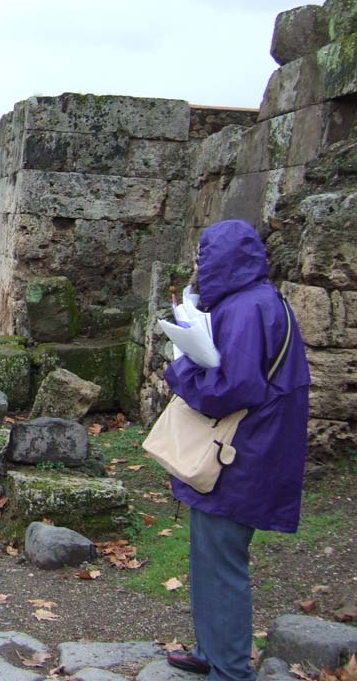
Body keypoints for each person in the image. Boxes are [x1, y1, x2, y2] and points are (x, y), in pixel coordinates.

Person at [163, 220, 310, 681]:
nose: (197, 267)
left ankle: (228, 669)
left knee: (222, 561)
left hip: (241, 455)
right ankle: (213, 651)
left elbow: (233, 385)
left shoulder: (247, 309)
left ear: (220, 259)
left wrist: (180, 370)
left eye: (202, 257)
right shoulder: (261, 300)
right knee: (210, 556)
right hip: (255, 447)